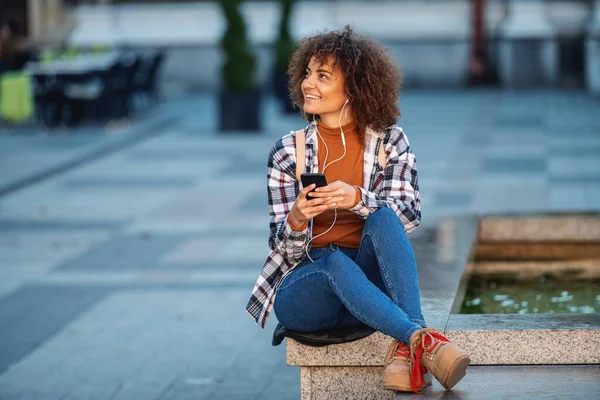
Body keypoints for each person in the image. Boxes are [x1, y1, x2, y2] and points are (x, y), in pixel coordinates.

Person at [246, 26, 470, 393]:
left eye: (323, 76)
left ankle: (408, 346)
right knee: (334, 262)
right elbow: (283, 251)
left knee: (382, 216)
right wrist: (298, 218)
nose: (308, 84)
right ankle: (423, 340)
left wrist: (356, 198)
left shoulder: (390, 141)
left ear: (354, 87)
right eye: (307, 73)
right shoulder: (288, 152)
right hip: (308, 291)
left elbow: (408, 215)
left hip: (366, 287)